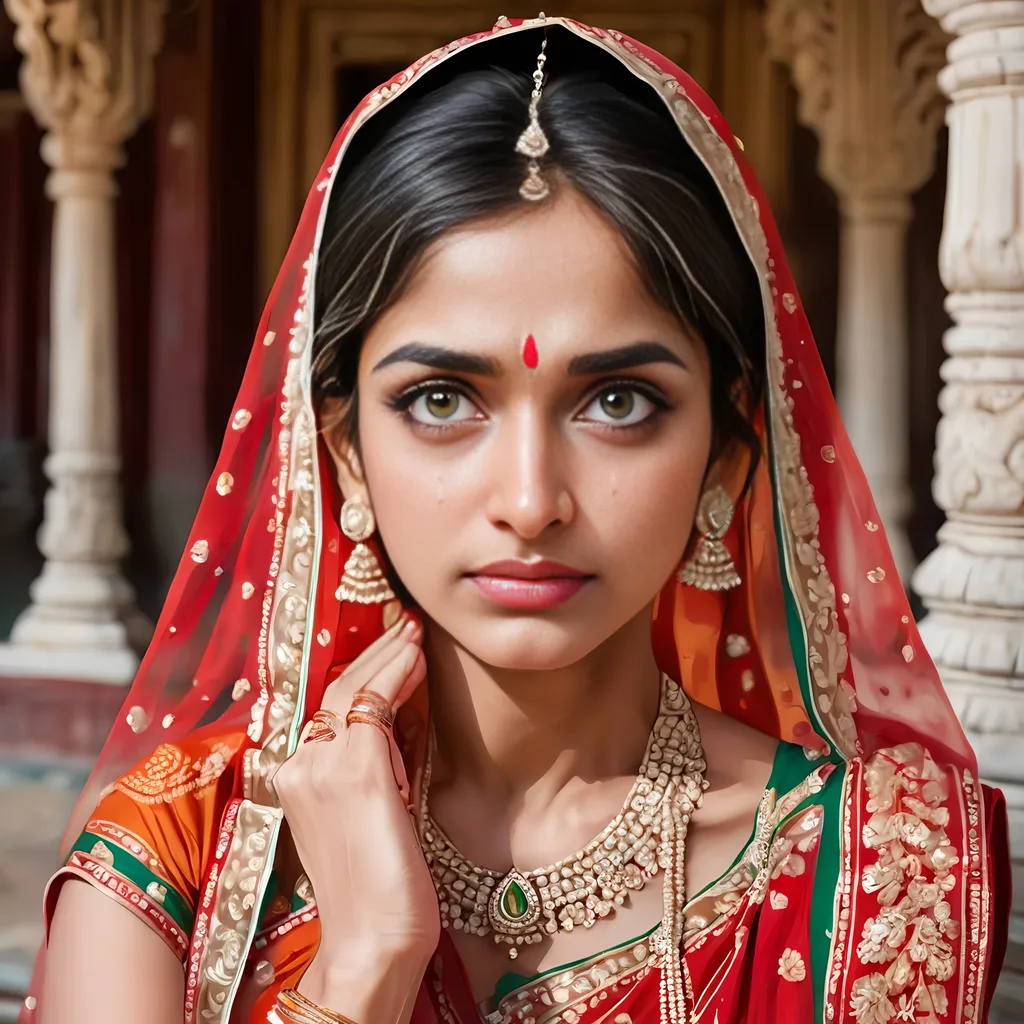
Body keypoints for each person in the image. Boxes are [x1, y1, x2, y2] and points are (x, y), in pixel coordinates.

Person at [23, 15, 1009, 1024]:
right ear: (348, 455)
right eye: (442, 400)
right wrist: (363, 959)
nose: (531, 502)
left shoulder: (886, 867)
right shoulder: (183, 854)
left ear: (726, 454)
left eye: (617, 401)